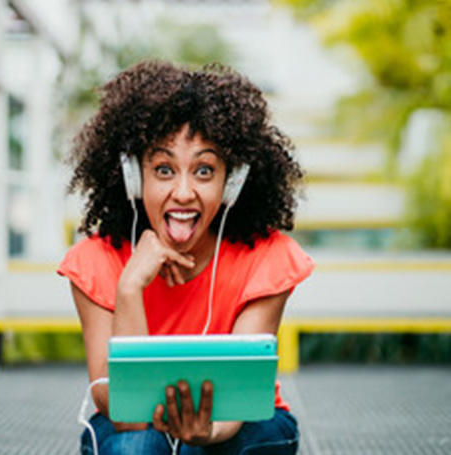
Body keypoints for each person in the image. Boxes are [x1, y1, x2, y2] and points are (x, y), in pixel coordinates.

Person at [58, 60, 314, 455]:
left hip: (238, 426)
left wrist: (206, 434)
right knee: (135, 446)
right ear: (132, 177)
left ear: (231, 183)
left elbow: (242, 396)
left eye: (204, 171)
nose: (182, 192)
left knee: (227, 445)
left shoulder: (266, 257)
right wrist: (130, 286)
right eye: (163, 169)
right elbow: (126, 416)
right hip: (137, 430)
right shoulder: (96, 261)